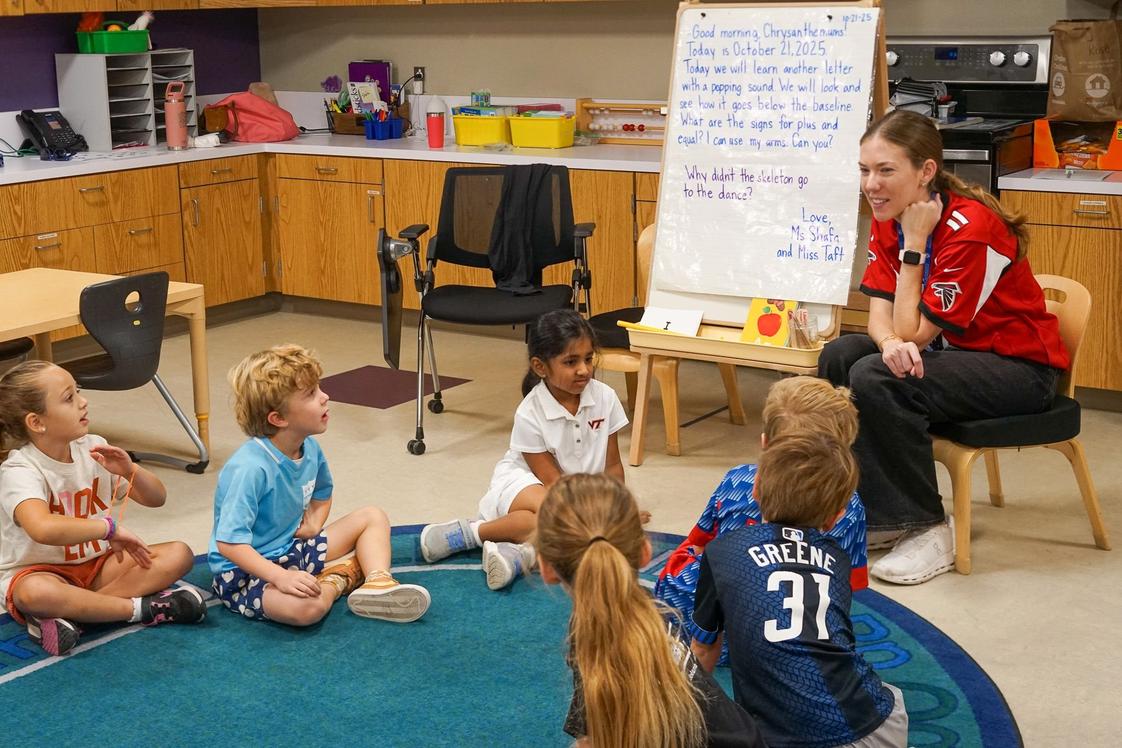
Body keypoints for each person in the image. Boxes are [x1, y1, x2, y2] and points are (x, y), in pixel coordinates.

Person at [819, 109, 1070, 585]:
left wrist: (914, 246)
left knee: (877, 375)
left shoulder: (970, 227)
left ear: (926, 172)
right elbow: (880, 314)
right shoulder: (890, 212)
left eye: (886, 170)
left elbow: (915, 332)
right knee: (842, 355)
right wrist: (888, 341)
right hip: (953, 357)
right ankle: (869, 508)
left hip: (1019, 370)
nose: (872, 184)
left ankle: (927, 526)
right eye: (865, 170)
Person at [689, 434, 907, 748]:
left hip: (778, 739)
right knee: (885, 693)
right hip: (879, 726)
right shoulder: (837, 558)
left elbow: (704, 650)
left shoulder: (722, 552)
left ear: (755, 487)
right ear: (836, 516)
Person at [536, 473, 766, 747]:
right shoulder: (647, 610)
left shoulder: (593, 638)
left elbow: (599, 739)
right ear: (645, 551)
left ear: (545, 567)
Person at [209, 344, 429, 626]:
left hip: (291, 548)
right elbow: (229, 544)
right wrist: (280, 577)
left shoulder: (309, 447)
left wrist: (315, 524)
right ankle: (340, 577)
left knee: (373, 516)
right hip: (244, 572)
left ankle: (378, 582)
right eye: (311, 394)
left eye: (319, 388)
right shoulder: (249, 468)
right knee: (307, 611)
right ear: (278, 418)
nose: (325, 397)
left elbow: (323, 493)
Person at [655, 376, 867, 667]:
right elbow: (845, 589)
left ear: (765, 442)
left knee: (691, 558)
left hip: (697, 626)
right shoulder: (849, 508)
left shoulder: (739, 480)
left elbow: (699, 543)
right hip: (776, 643)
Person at [0, 361, 206, 656]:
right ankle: (139, 609)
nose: (83, 402)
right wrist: (109, 529)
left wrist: (129, 468)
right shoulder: (20, 469)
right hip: (40, 571)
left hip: (98, 566)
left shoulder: (93, 447)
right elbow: (42, 528)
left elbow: (155, 498)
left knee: (178, 554)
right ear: (36, 422)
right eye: (69, 398)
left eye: (78, 392)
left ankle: (75, 614)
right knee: (36, 593)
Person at [419, 310, 628, 591]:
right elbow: (553, 483)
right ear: (541, 367)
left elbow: (612, 465)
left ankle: (521, 553)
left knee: (562, 524)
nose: (584, 370)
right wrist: (595, 517)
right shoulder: (530, 411)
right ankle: (472, 533)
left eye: (589, 359)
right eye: (570, 361)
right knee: (564, 520)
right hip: (529, 483)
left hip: (574, 496)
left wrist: (619, 507)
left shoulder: (606, 397)